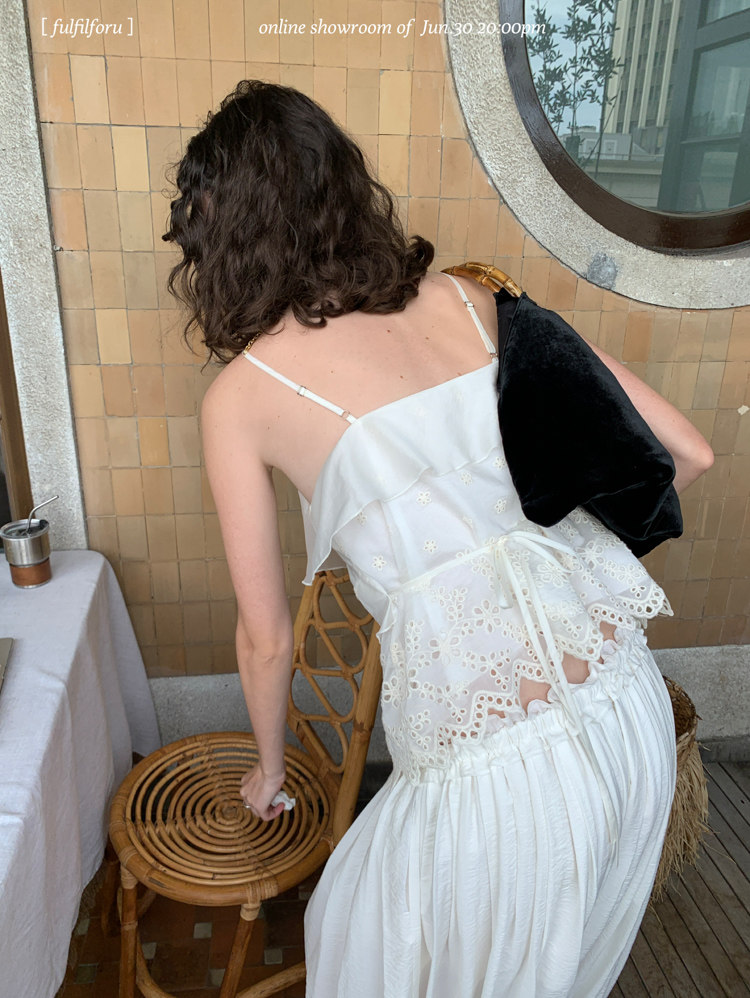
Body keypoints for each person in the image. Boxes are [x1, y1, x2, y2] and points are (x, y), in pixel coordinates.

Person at [164, 80, 714, 998]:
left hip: (500, 778)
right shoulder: (470, 297)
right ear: (342, 188)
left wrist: (270, 771)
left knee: (367, 942)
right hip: (631, 709)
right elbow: (684, 453)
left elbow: (265, 640)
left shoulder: (241, 399)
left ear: (225, 234)